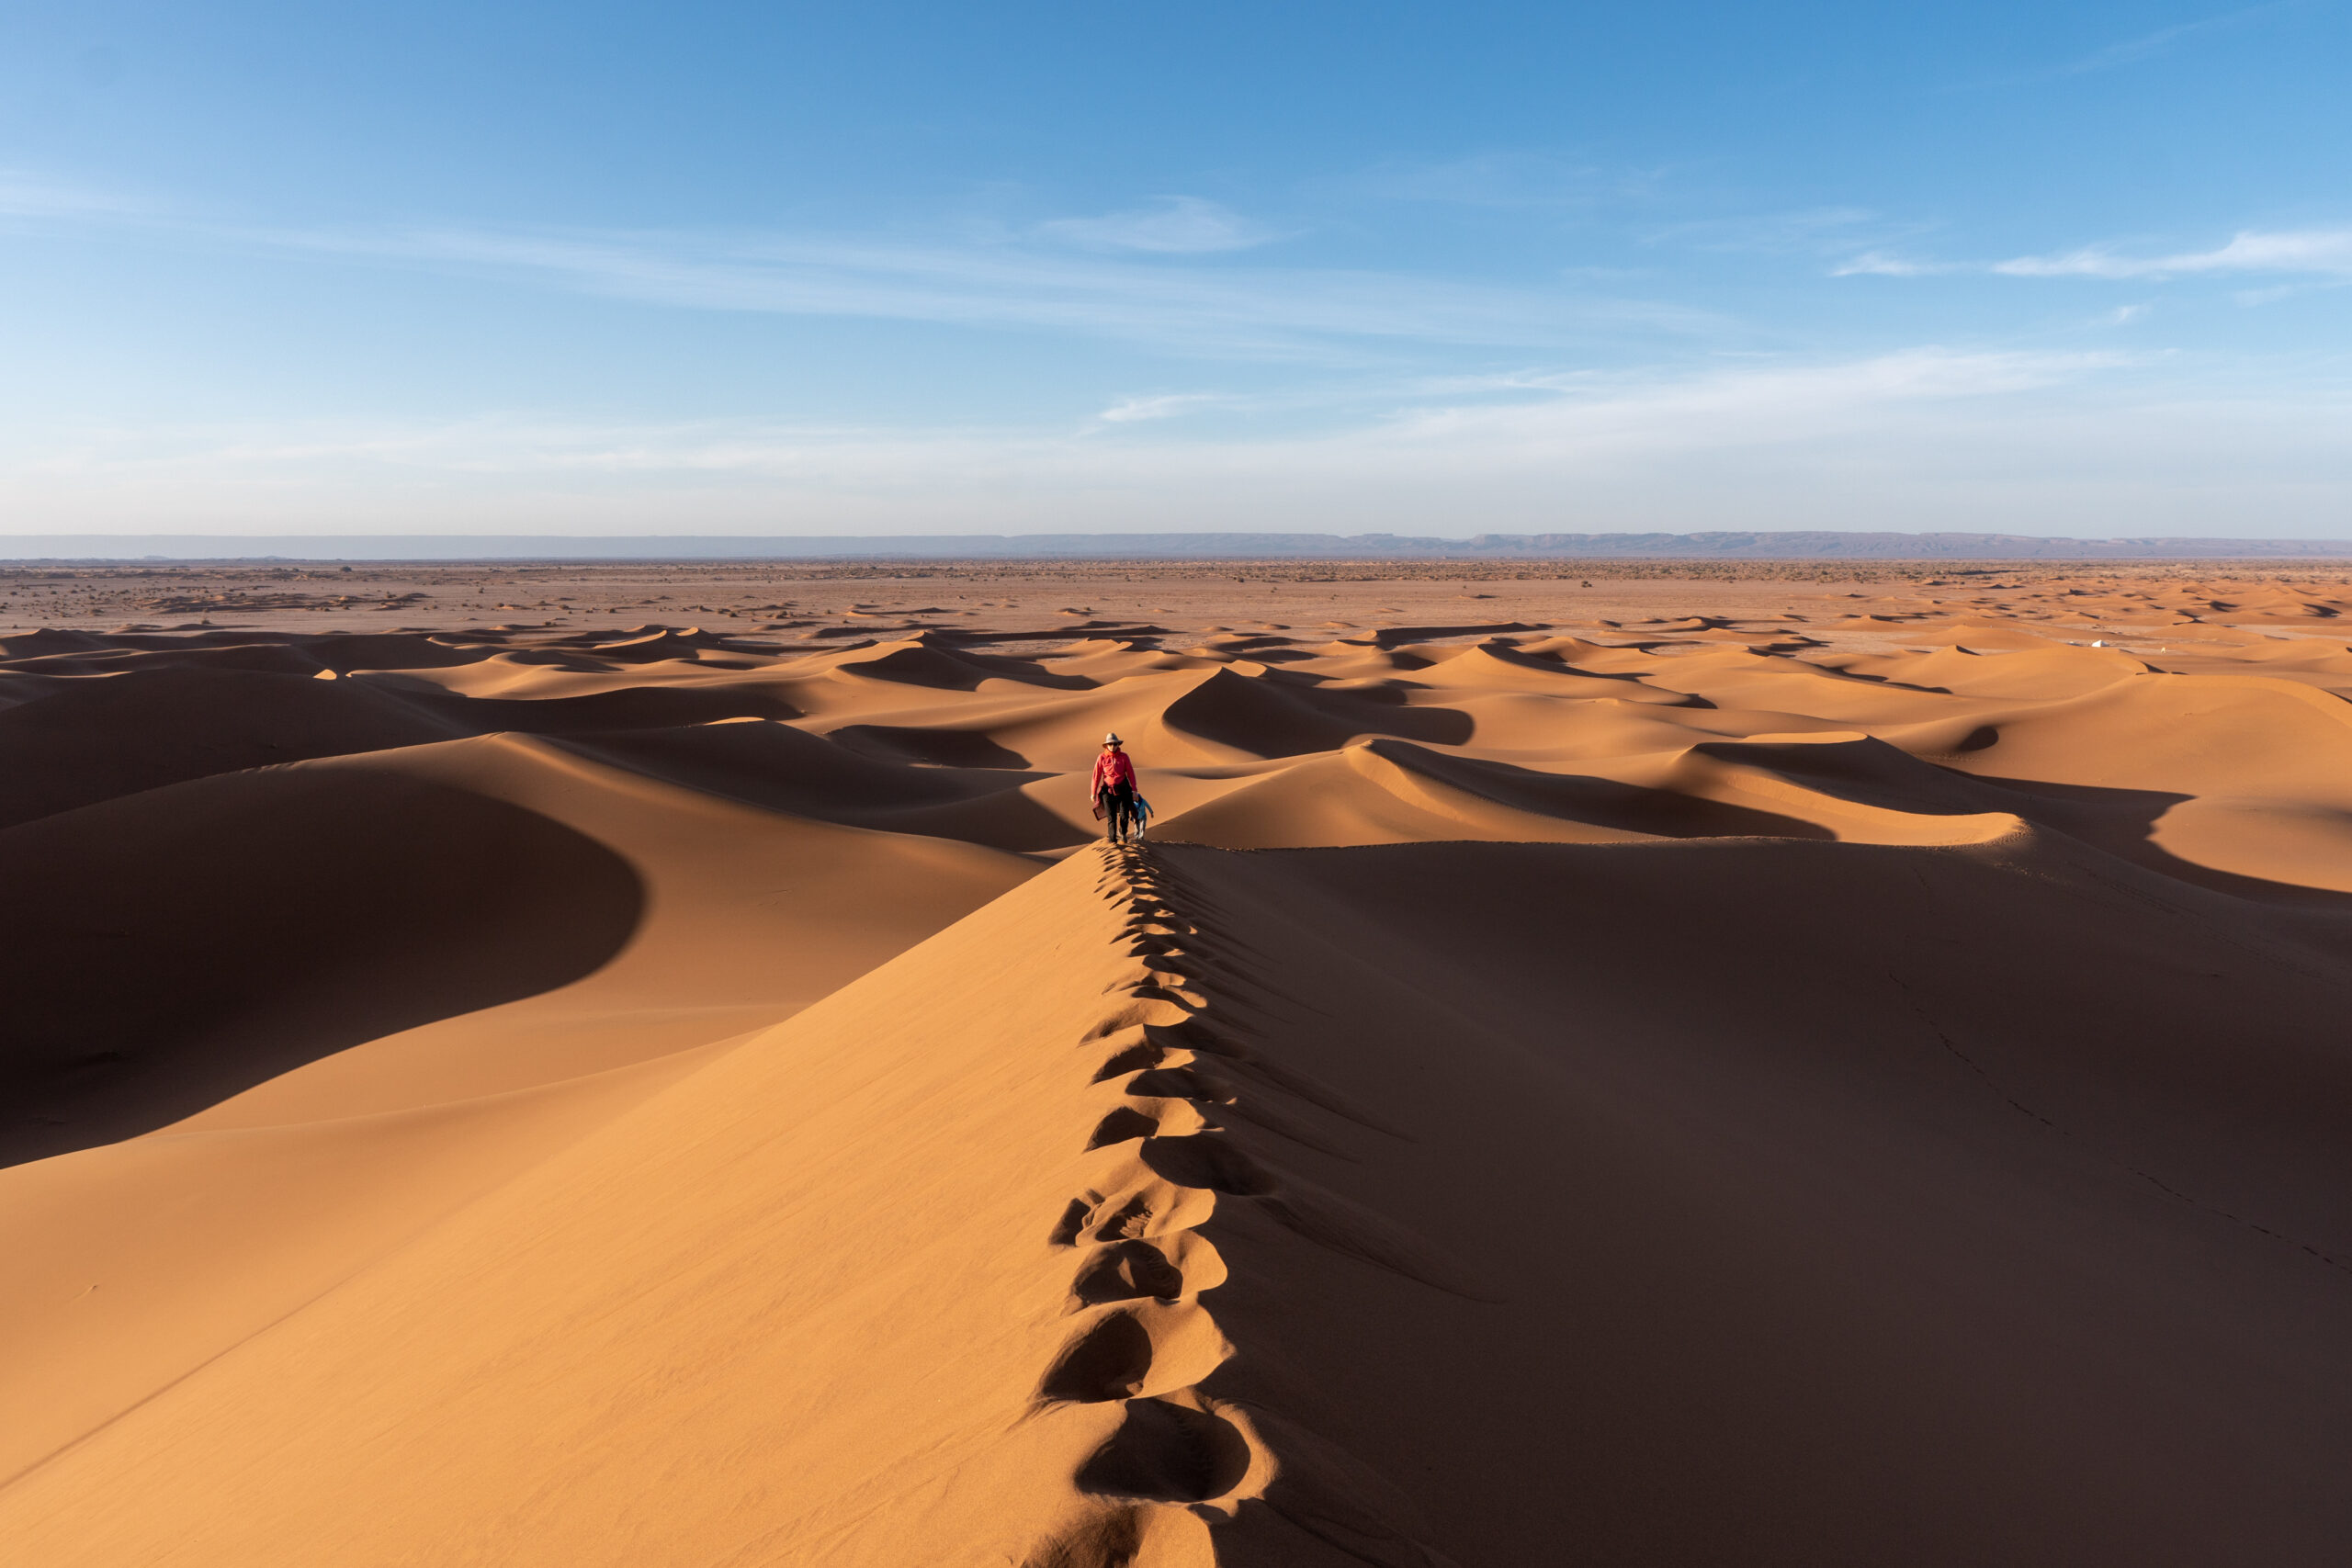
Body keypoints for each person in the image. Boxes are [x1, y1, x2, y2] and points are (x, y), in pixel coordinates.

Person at [1091, 732, 1141, 841]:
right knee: (1111, 817)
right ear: (1106, 745)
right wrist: (1093, 792)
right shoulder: (1102, 758)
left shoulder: (1124, 757)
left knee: (1124, 815)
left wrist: (1134, 790)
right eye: (1110, 744)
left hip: (1123, 790)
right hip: (1108, 791)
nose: (1112, 746)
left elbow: (1131, 773)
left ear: (1118, 745)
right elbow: (1096, 775)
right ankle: (1112, 839)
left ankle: (1123, 832)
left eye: (1115, 744)